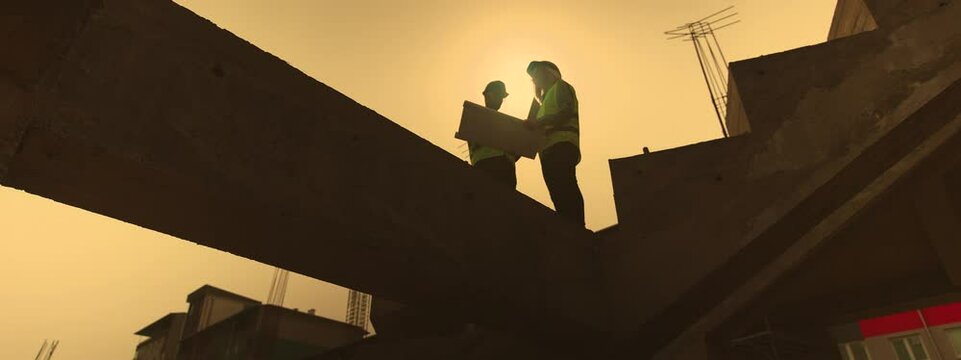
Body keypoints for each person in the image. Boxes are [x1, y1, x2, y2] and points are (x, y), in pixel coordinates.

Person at [525, 61, 585, 226]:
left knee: (566, 186)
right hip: (548, 151)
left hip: (562, 145)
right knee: (557, 192)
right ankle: (569, 226)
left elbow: (565, 112)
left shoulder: (561, 87)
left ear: (549, 73)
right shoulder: (543, 102)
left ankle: (577, 227)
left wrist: (538, 122)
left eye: (537, 74)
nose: (535, 79)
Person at [468, 80, 517, 189]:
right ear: (488, 95)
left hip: (506, 168)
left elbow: (511, 152)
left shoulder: (505, 123)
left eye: (502, 98)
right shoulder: (476, 116)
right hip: (488, 165)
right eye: (499, 96)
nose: (500, 101)